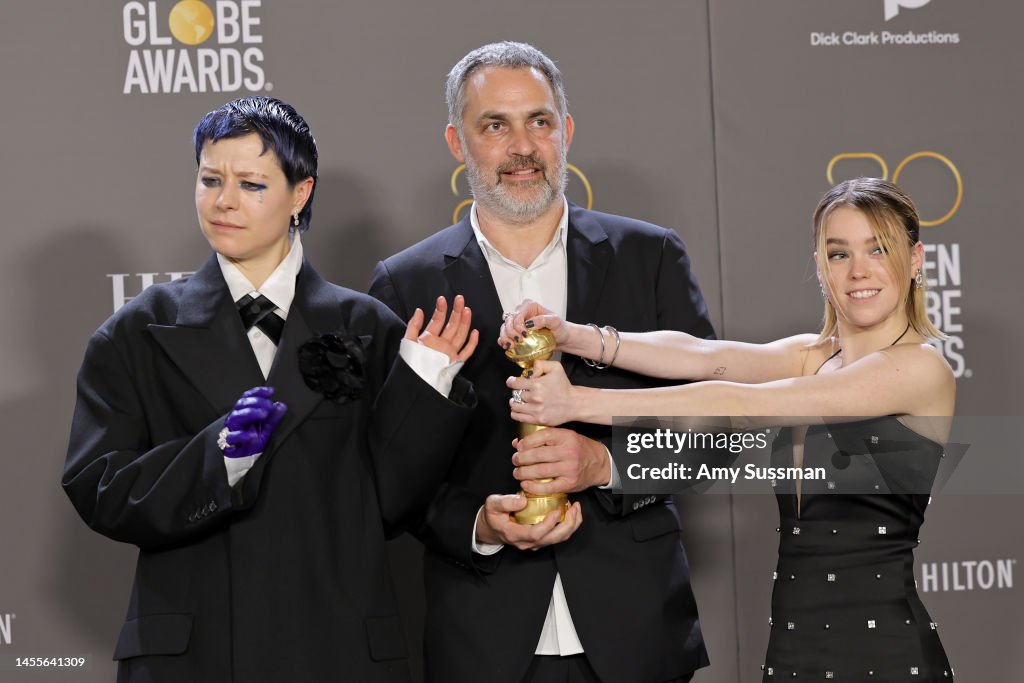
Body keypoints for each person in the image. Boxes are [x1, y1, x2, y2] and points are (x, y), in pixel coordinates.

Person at [63, 96, 479, 683]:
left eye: (252, 184)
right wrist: (220, 456)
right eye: (210, 179)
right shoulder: (135, 331)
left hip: (338, 650)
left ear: (300, 193)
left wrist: (428, 384)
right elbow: (100, 487)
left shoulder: (370, 328)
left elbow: (392, 502)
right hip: (194, 657)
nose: (224, 201)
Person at [503, 177, 956, 681]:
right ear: (820, 268)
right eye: (838, 254)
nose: (858, 271)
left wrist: (579, 401)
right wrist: (575, 336)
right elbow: (704, 356)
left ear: (915, 260)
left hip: (887, 656)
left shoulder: (920, 369)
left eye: (879, 248)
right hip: (792, 651)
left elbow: (742, 402)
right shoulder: (814, 357)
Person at [369, 42, 713, 683]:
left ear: (567, 131)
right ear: (457, 141)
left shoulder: (650, 257)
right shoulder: (405, 286)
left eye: (540, 121)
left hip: (637, 634)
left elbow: (716, 434)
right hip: (483, 639)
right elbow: (389, 478)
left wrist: (606, 464)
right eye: (494, 126)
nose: (522, 147)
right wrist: (478, 524)